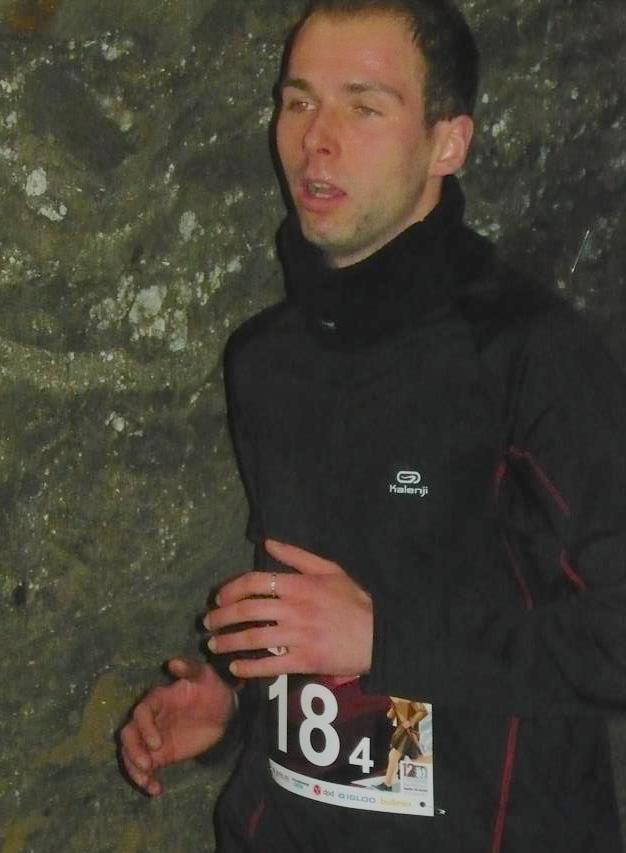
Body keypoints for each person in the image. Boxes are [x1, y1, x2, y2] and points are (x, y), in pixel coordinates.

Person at [119, 1, 626, 850]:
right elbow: (313, 618)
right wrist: (233, 703)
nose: (317, 139)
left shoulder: (530, 355)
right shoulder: (265, 360)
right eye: (298, 101)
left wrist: (387, 638)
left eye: (364, 107)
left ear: (447, 143)